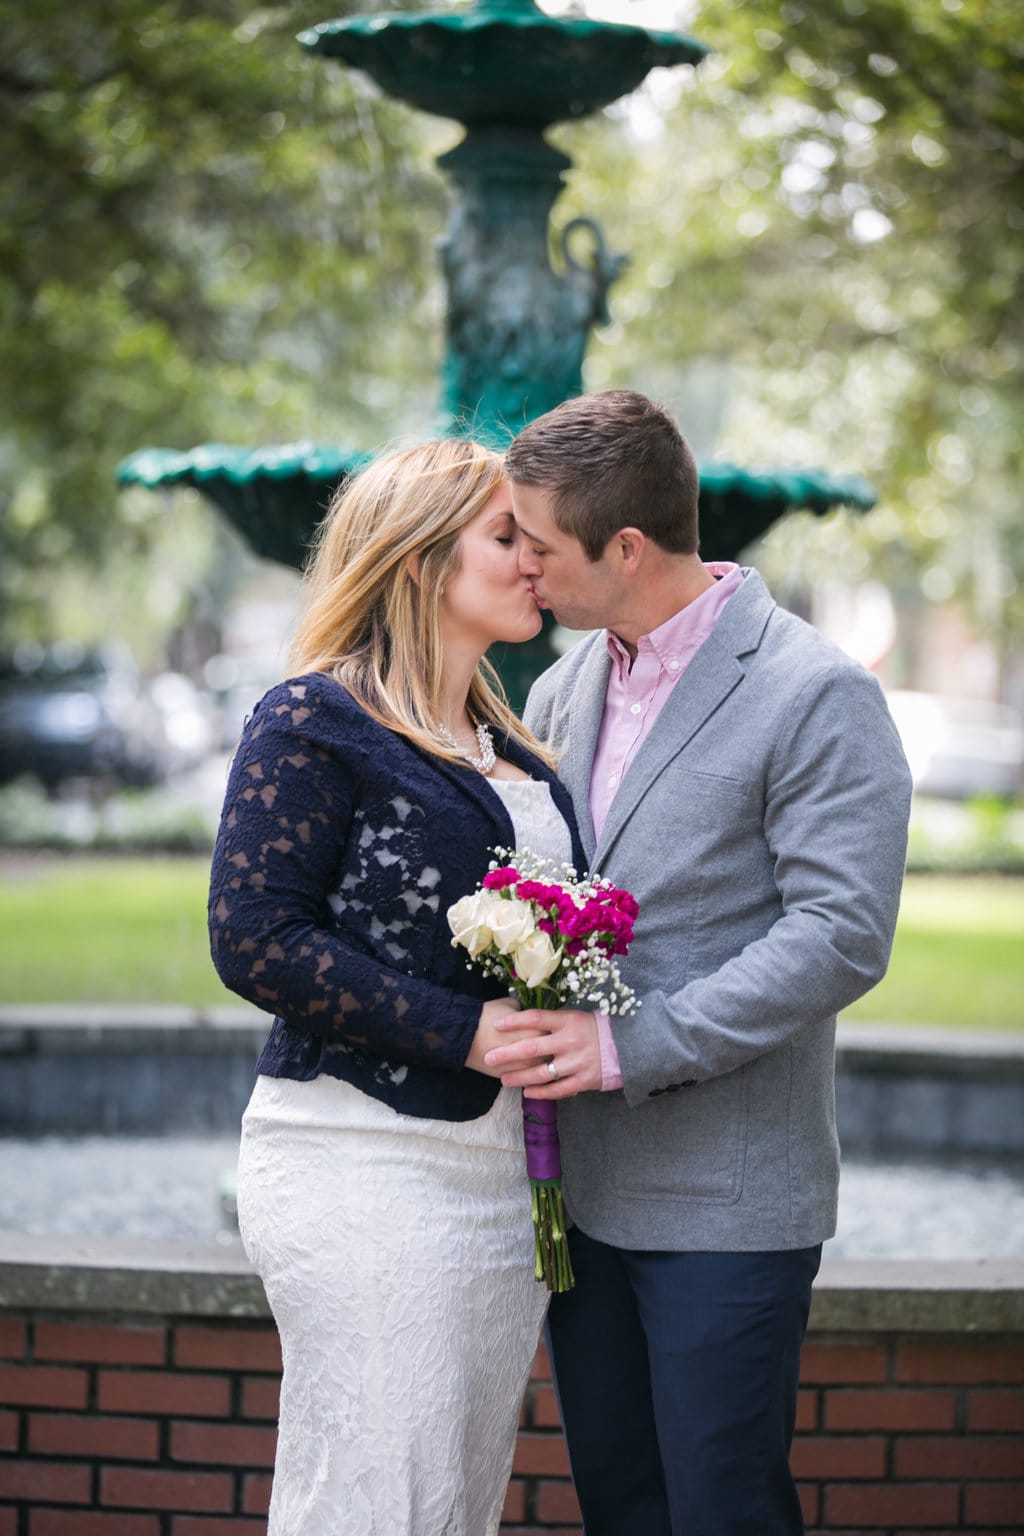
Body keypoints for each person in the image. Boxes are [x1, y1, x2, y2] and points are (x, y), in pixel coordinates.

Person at [483, 389, 913, 1536]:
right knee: (621, 1508)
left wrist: (633, 1044)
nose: (518, 562)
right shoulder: (563, 684)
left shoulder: (816, 691)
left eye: (534, 539)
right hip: (580, 1193)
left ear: (623, 548)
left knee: (720, 1513)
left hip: (728, 1205)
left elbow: (840, 935)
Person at [208, 438, 586, 1536]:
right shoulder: (311, 718)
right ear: (420, 559)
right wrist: (463, 1030)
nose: (534, 560)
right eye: (506, 536)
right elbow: (255, 936)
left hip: (502, 1182)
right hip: (361, 1161)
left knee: (452, 1500)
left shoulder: (510, 738)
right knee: (377, 1494)